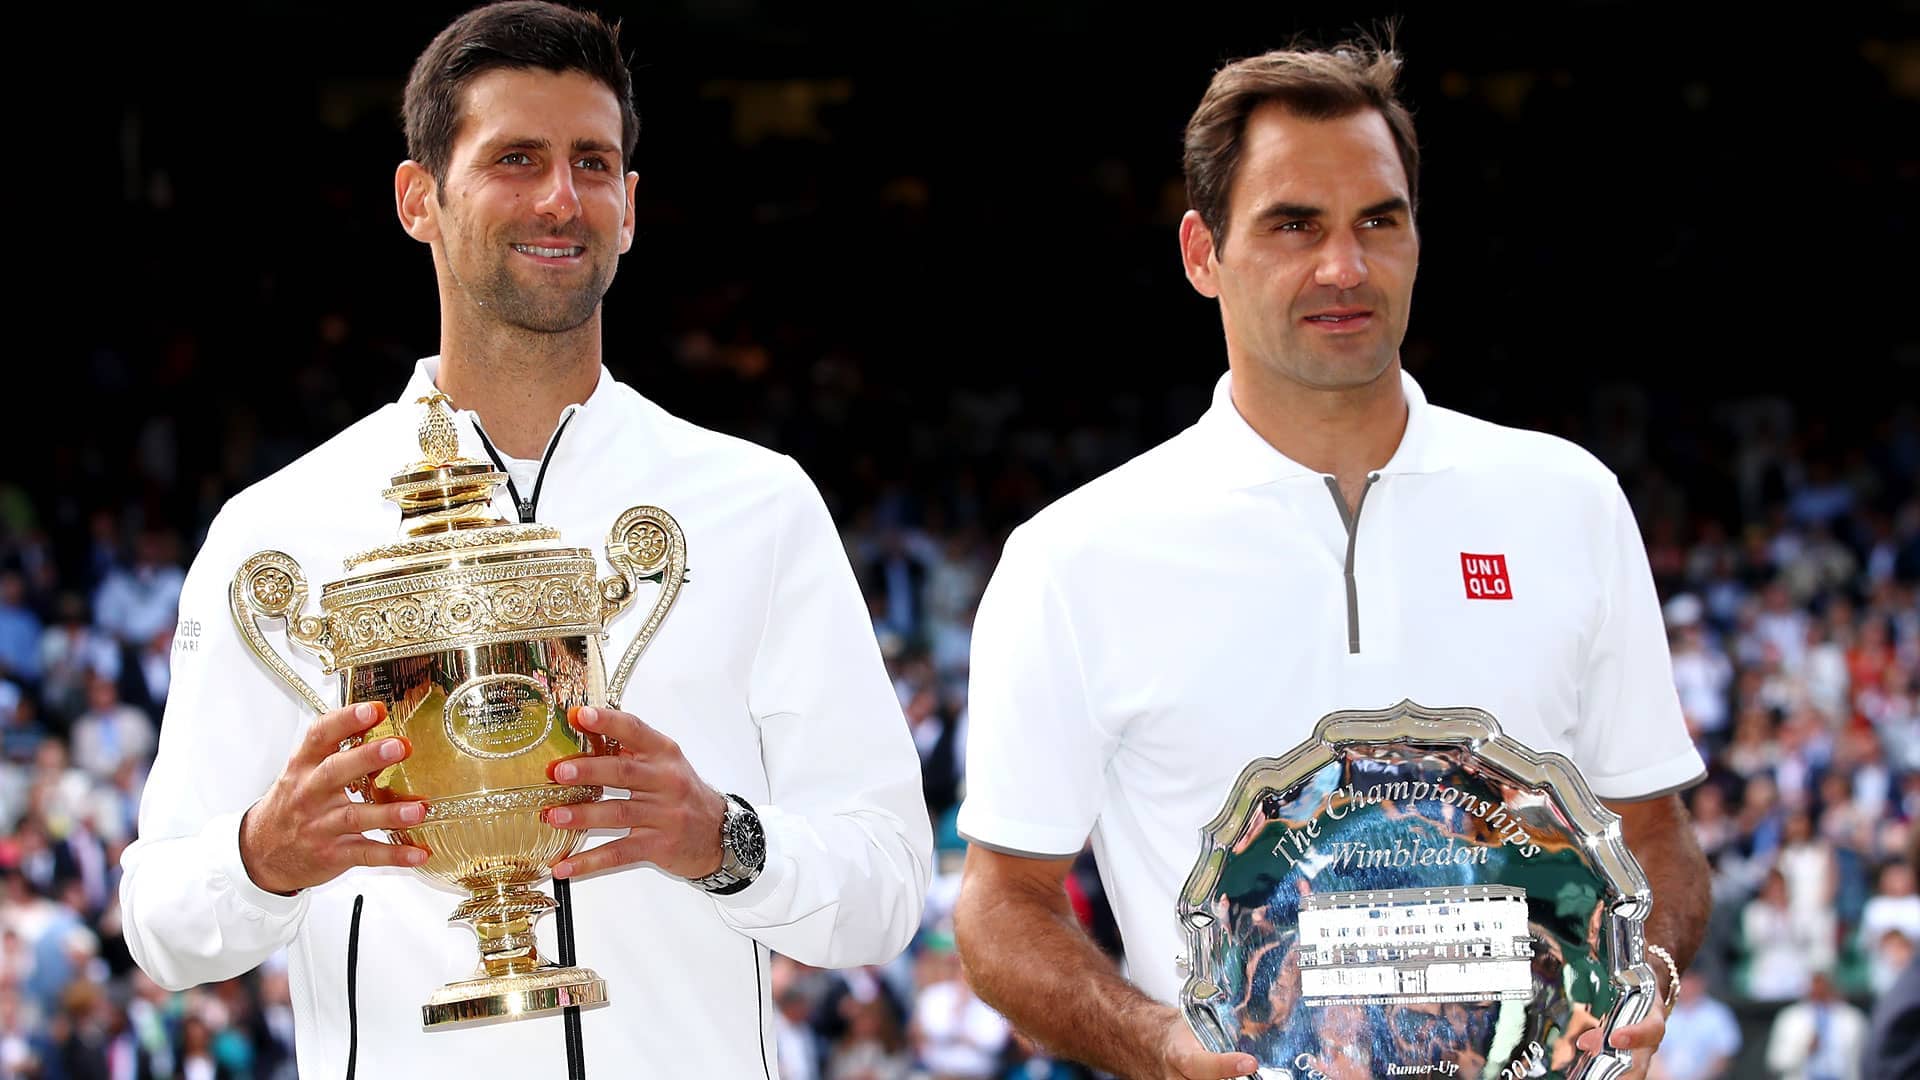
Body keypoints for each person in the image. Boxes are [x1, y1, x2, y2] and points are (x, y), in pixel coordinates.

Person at [116, 3, 932, 1075]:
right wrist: (263, 857)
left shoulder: (757, 504)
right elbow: (161, 926)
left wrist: (720, 839)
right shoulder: (279, 529)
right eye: (516, 158)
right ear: (420, 200)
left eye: (594, 163)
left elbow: (885, 890)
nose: (562, 197)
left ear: (631, 207)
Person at [952, 38, 1711, 1080]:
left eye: (1378, 223)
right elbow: (1001, 905)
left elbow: (1654, 832)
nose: (1343, 267)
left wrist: (1642, 977)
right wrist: (1160, 1044)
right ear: (1201, 252)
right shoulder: (1074, 556)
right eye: (1293, 225)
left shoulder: (1568, 500)